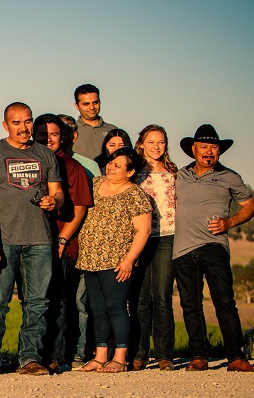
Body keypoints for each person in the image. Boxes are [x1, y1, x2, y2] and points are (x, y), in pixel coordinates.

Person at [0, 102, 64, 375]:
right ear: (5, 125)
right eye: (16, 123)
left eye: (28, 122)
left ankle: (29, 358)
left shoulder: (46, 155)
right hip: (3, 239)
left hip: (39, 239)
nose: (23, 128)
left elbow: (59, 193)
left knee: (37, 302)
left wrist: (54, 201)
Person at [173, 125, 254, 372]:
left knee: (224, 301)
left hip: (214, 246)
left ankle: (235, 356)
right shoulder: (179, 175)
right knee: (190, 304)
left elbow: (249, 205)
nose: (209, 152)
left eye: (214, 147)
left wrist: (229, 222)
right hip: (183, 249)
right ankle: (199, 356)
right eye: (204, 147)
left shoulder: (230, 177)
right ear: (193, 150)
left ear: (219, 151)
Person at [75, 148, 152, 373]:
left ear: (130, 172)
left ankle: (120, 357)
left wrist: (129, 259)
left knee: (116, 308)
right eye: (111, 162)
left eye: (118, 165)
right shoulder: (96, 184)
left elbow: (143, 230)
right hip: (90, 257)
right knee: (97, 309)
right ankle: (100, 356)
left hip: (117, 260)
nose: (111, 167)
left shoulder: (135, 195)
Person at [34, 114, 92, 371]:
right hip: (31, 242)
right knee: (34, 300)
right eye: (43, 134)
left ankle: (57, 356)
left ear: (63, 137)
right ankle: (33, 354)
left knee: (59, 300)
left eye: (54, 134)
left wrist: (62, 239)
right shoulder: (26, 162)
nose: (48, 139)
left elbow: (79, 209)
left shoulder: (73, 167)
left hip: (62, 243)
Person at [130, 125, 177, 371]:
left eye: (161, 142)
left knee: (162, 297)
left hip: (167, 238)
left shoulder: (173, 173)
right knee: (139, 299)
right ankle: (139, 353)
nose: (156, 147)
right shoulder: (134, 171)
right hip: (140, 239)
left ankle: (164, 354)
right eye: (151, 142)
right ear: (142, 144)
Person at [70, 83, 119, 159]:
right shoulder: (71, 131)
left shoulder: (113, 130)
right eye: (86, 104)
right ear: (77, 106)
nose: (92, 107)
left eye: (95, 103)